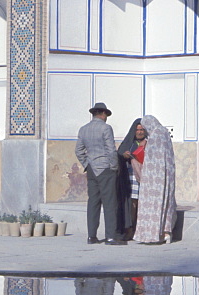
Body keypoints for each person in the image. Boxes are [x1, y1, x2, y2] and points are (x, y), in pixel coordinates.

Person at [75, 102, 125, 244]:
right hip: (105, 168)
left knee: (93, 203)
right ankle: (110, 236)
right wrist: (114, 166)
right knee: (109, 203)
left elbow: (78, 150)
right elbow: (111, 150)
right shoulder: (106, 128)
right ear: (103, 114)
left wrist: (87, 164)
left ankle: (92, 236)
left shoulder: (83, 129)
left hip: (92, 169)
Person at [133, 114, 177, 244]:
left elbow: (151, 160)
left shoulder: (155, 136)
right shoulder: (164, 132)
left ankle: (151, 234)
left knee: (153, 205)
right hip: (167, 175)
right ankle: (166, 233)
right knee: (166, 203)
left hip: (153, 179)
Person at [116, 118, 147, 240]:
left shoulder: (149, 142)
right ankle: (130, 228)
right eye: (137, 129)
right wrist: (124, 156)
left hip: (145, 176)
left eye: (142, 129)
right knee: (133, 203)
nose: (139, 132)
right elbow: (119, 154)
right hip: (131, 176)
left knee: (142, 203)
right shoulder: (129, 142)